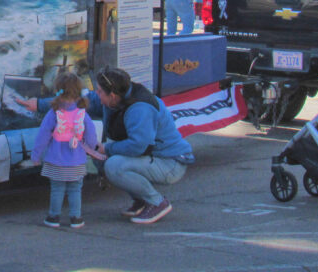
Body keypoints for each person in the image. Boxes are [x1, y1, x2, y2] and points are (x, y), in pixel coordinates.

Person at [16, 68, 194, 225]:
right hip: (151, 158)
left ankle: (157, 202)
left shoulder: (140, 109)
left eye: (100, 92)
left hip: (170, 163)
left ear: (113, 96)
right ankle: (141, 200)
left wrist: (106, 149)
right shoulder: (115, 98)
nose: (96, 96)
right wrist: (38, 105)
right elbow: (73, 101)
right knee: (103, 161)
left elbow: (139, 146)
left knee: (113, 165)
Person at [31, 72, 99, 229]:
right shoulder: (82, 114)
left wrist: (36, 155)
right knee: (75, 189)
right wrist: (91, 147)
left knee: (57, 189)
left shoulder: (53, 113)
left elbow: (43, 135)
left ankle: (54, 217)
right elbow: (91, 135)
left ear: (58, 91)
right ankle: (76, 217)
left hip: (56, 160)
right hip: (77, 160)